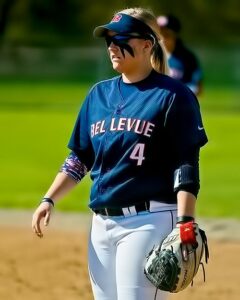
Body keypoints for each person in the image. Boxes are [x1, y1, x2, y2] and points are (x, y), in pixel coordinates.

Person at [32, 7, 208, 300]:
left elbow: (186, 163)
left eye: (121, 38)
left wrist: (185, 222)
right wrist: (49, 198)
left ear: (146, 44)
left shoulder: (173, 96)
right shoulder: (98, 95)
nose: (112, 46)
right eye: (108, 40)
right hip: (101, 224)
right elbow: (80, 158)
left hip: (148, 221)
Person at [157, 14, 203, 96]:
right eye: (159, 34)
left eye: (166, 35)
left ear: (175, 36)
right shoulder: (150, 56)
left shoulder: (187, 58)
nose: (162, 38)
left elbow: (198, 88)